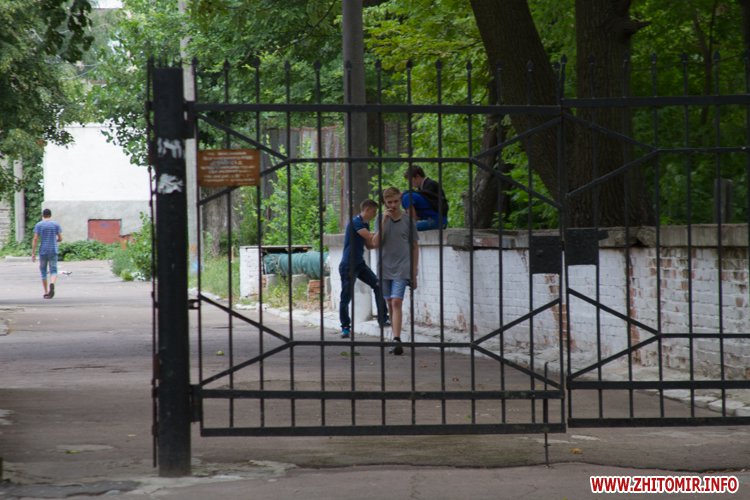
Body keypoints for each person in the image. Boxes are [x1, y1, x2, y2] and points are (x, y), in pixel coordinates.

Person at [372, 187, 419, 355]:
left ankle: (397, 339)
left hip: (402, 267)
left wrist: (414, 272)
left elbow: (415, 247)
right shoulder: (380, 219)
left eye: (396, 201)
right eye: (389, 202)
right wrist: (384, 222)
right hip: (384, 267)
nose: (393, 205)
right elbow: (375, 243)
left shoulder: (408, 221)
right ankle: (394, 337)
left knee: (397, 302)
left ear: (400, 199)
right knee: (390, 303)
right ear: (385, 203)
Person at [339, 199, 388, 339]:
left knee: (378, 285)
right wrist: (384, 225)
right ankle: (345, 327)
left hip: (359, 264)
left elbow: (370, 245)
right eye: (374, 211)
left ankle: (383, 319)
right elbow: (370, 236)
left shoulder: (365, 224)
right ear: (367, 209)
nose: (375, 214)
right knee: (346, 297)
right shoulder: (356, 222)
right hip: (348, 265)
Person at [402, 165, 449, 231]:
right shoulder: (421, 188)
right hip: (430, 219)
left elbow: (431, 202)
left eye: (410, 180)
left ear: (417, 176)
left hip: (438, 219)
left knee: (407, 196)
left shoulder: (431, 184)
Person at [31, 208, 63, 299]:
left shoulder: (39, 225)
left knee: (43, 271)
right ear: (50, 215)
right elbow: (60, 238)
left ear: (43, 215)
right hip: (53, 250)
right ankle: (52, 284)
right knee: (54, 270)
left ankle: (46, 292)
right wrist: (56, 240)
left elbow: (35, 239)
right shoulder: (55, 224)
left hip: (43, 251)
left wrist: (33, 253)